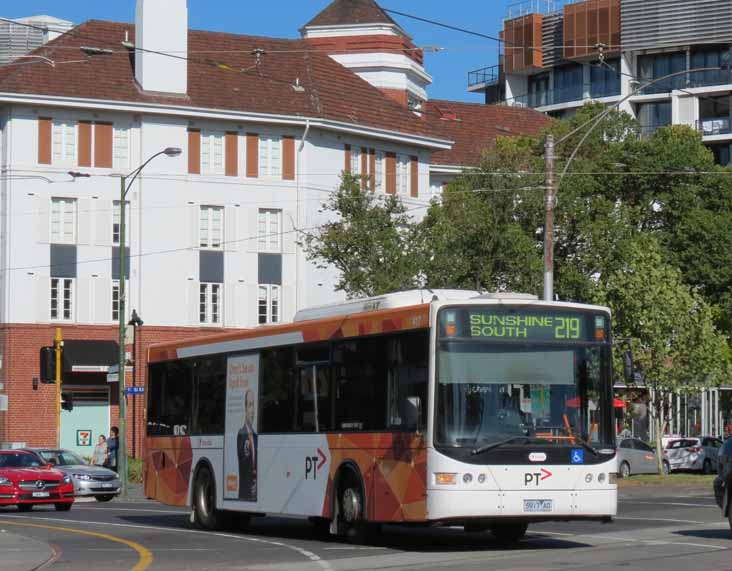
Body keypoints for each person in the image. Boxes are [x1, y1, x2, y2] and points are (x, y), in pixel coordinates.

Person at [236, 390, 257, 501]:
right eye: (250, 405)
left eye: (253, 405)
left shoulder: (256, 436)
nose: (252, 411)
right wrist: (246, 451)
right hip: (245, 493)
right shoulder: (241, 434)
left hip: (255, 493)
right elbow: (242, 464)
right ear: (245, 409)